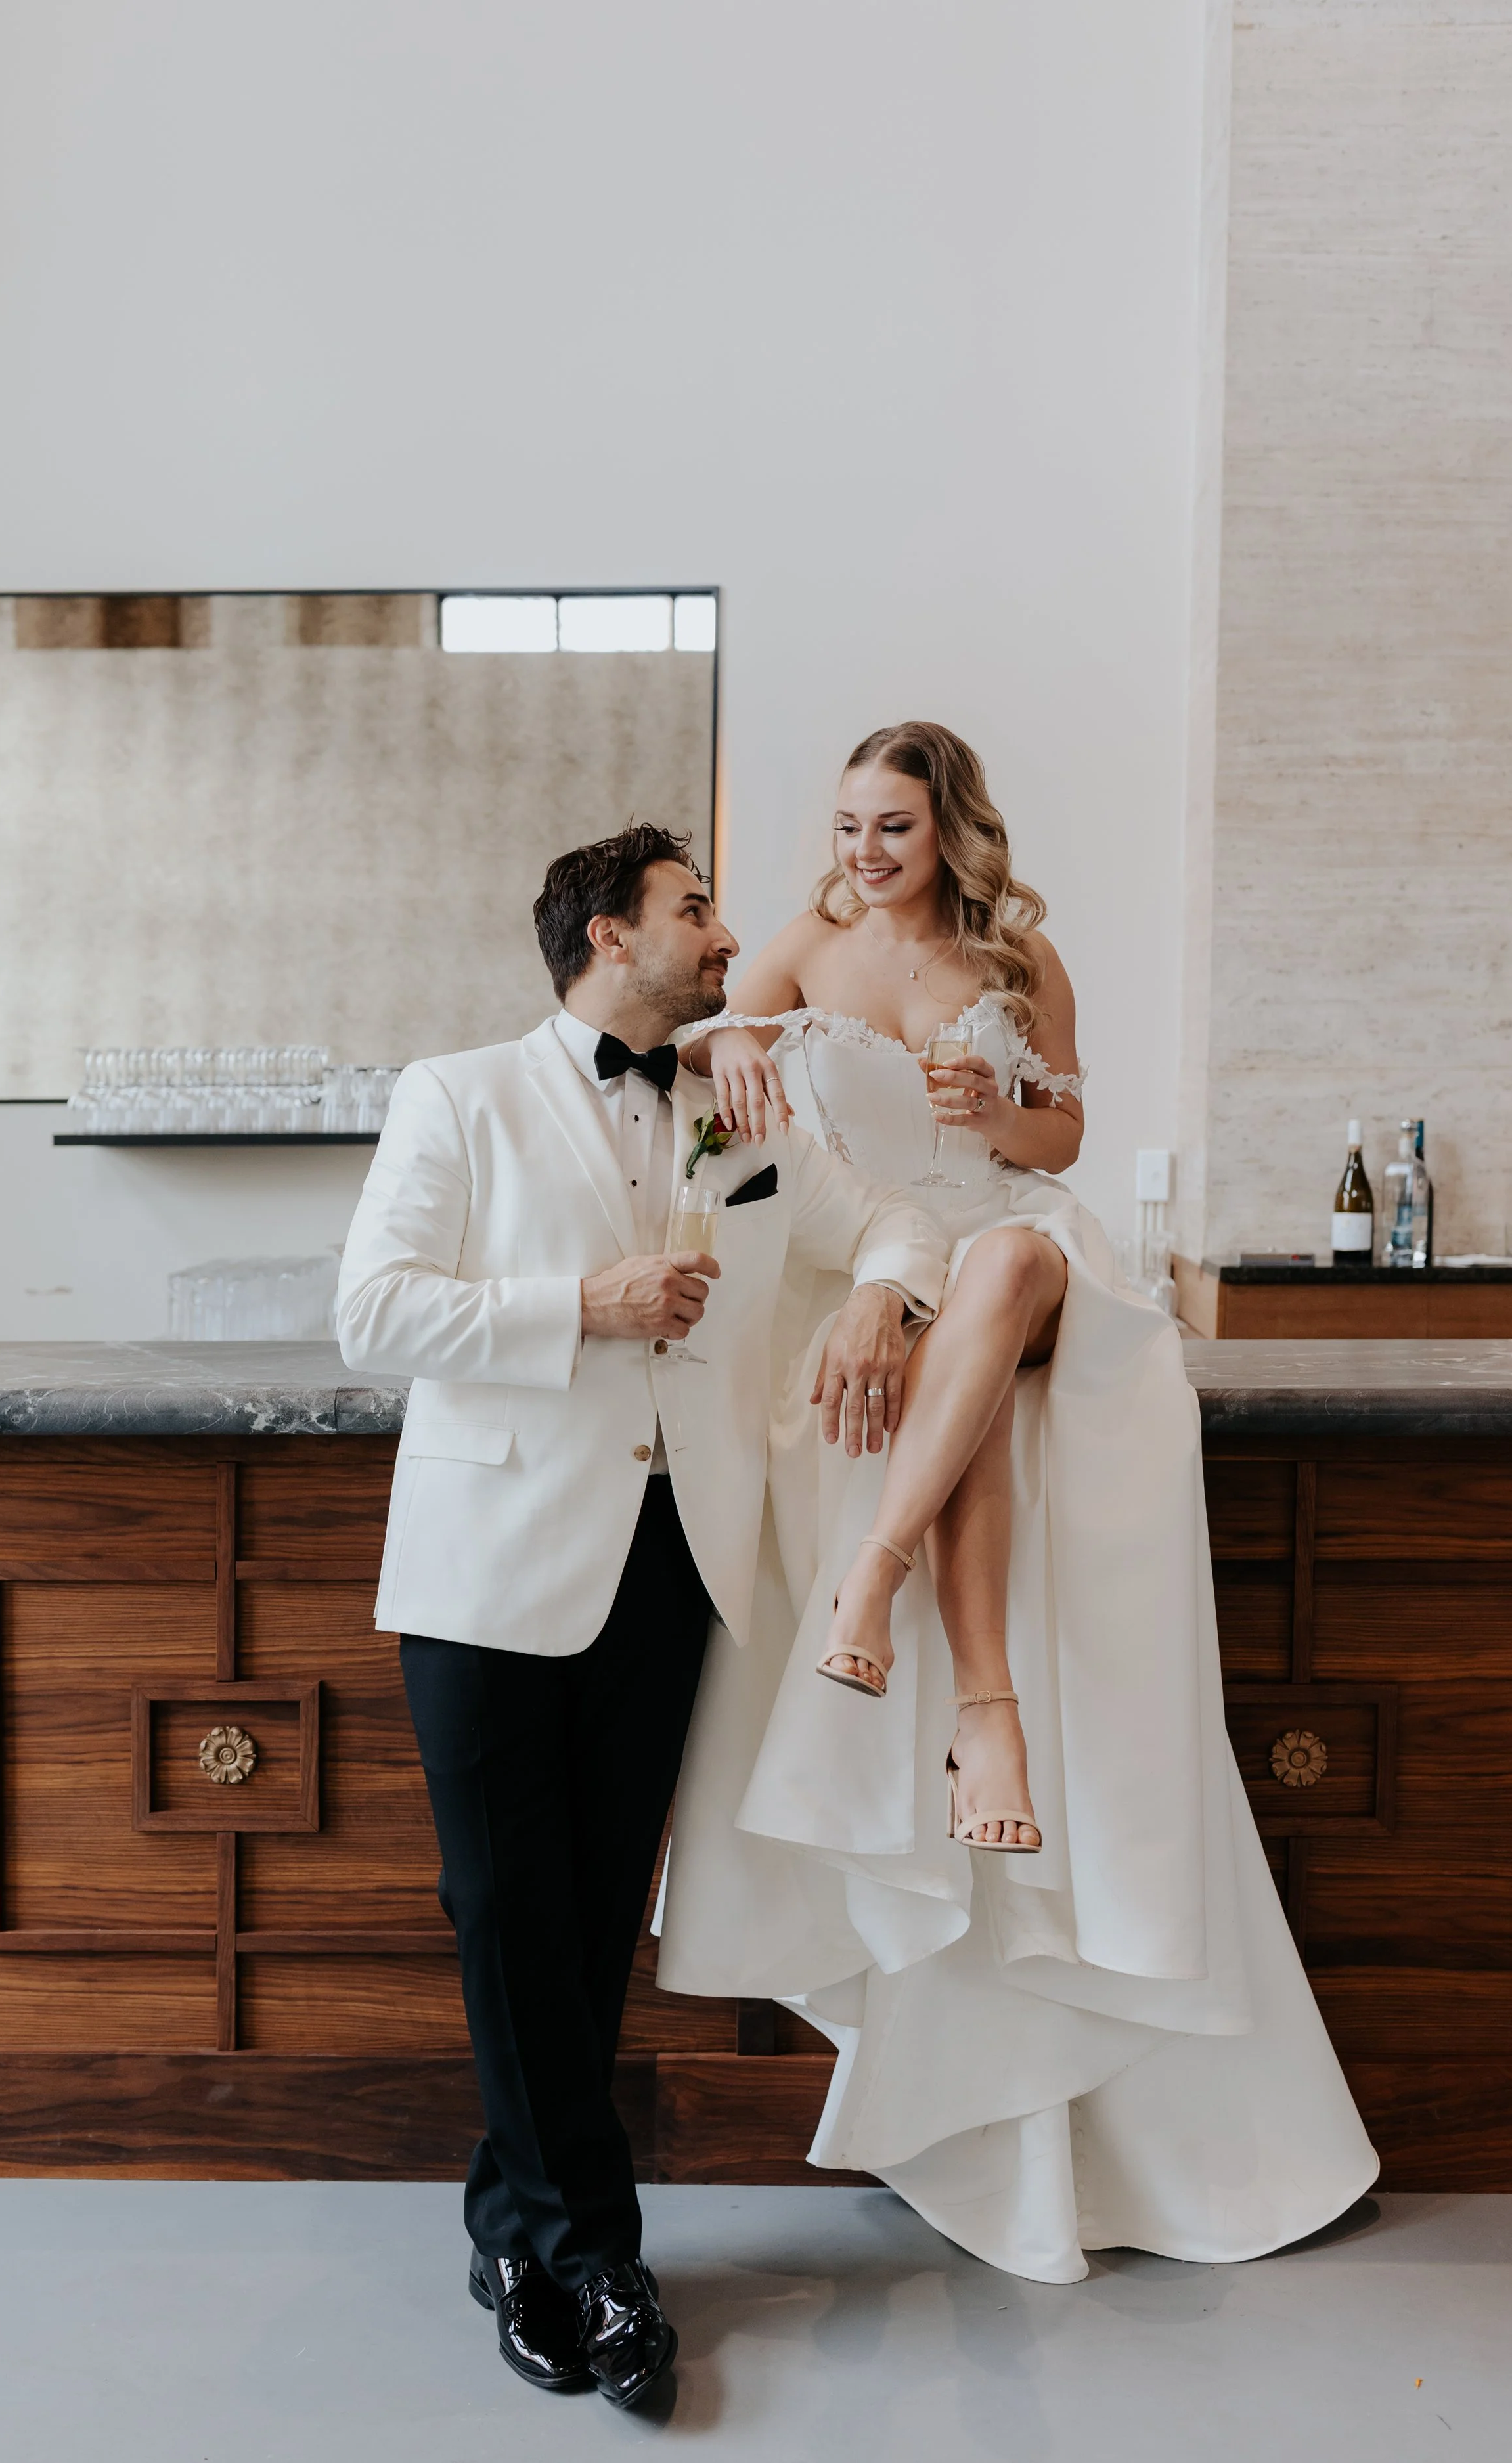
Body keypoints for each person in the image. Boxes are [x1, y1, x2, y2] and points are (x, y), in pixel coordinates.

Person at [656, 720, 1378, 2282]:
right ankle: (973, 1694)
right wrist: (724, 1044)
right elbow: (710, 1102)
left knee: (1004, 1258)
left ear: (947, 829)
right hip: (888, 1270)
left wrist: (996, 1116)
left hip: (1023, 1249)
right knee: (958, 1366)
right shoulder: (795, 949)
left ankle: (878, 1577)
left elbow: (1063, 1134)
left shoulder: (1017, 954)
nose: (864, 850)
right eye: (847, 823)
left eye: (892, 826)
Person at [336, 824, 946, 2407]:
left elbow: (901, 1222)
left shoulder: (733, 1110)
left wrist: (882, 1296)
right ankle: (593, 2260)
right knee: (502, 1908)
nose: (727, 932)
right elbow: (372, 1311)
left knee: (593, 1916)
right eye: (696, 909)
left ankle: (511, 2227)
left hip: (674, 1565)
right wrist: (577, 1309)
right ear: (609, 934)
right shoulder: (455, 1094)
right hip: (487, 1571)